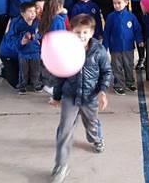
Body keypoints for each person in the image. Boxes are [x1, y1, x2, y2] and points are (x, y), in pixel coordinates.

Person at [50, 14, 113, 183]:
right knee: (64, 129)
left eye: (85, 32)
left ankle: (96, 139)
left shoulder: (99, 50)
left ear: (91, 32)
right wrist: (56, 96)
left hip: (90, 98)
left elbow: (106, 72)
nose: (81, 36)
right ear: (71, 32)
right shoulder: (67, 50)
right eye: (77, 32)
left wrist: (102, 92)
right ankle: (60, 165)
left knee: (91, 125)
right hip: (70, 96)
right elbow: (60, 75)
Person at [103, 0, 143, 96]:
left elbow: (137, 30)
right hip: (115, 48)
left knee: (129, 66)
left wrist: (139, 40)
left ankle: (130, 83)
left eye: (119, 3)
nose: (116, 5)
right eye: (114, 3)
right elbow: (106, 32)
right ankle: (119, 85)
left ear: (126, 2)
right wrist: (104, 46)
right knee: (117, 67)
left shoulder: (131, 17)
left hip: (128, 48)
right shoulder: (111, 17)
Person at [39, 0, 68, 94]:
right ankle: (50, 86)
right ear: (59, 7)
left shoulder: (45, 17)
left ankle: (48, 84)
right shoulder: (58, 20)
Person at [15, 1, 43, 94]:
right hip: (23, 53)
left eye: (34, 11)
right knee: (24, 71)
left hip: (35, 51)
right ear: (23, 13)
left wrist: (37, 37)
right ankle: (22, 85)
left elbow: (41, 34)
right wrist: (22, 40)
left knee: (36, 70)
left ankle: (36, 84)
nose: (33, 14)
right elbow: (15, 37)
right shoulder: (19, 24)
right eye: (30, 11)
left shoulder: (37, 23)